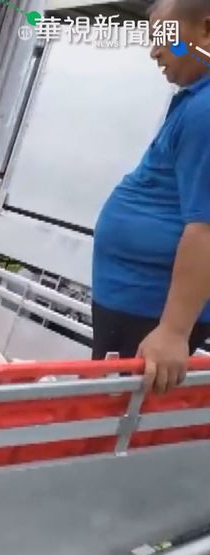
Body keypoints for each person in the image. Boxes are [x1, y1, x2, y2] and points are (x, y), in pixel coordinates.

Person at [92, 0, 210, 394]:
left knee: (112, 431)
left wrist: (174, 330)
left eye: (163, 36)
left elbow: (206, 228)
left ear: (206, 31)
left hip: (149, 312)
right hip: (135, 303)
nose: (154, 50)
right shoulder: (196, 101)